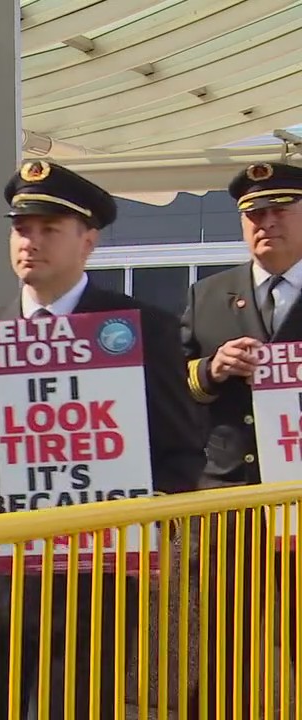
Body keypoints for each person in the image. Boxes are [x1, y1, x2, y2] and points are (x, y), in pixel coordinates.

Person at [0, 160, 204, 719]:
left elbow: (178, 446)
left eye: (48, 229)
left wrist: (144, 519)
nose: (30, 242)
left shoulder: (138, 326)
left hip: (98, 571)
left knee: (77, 701)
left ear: (88, 240)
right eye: (21, 228)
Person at [181, 161, 302, 719]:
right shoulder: (209, 294)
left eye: (280, 210)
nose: (265, 223)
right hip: (231, 500)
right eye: (254, 214)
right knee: (228, 643)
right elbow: (171, 384)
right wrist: (211, 369)